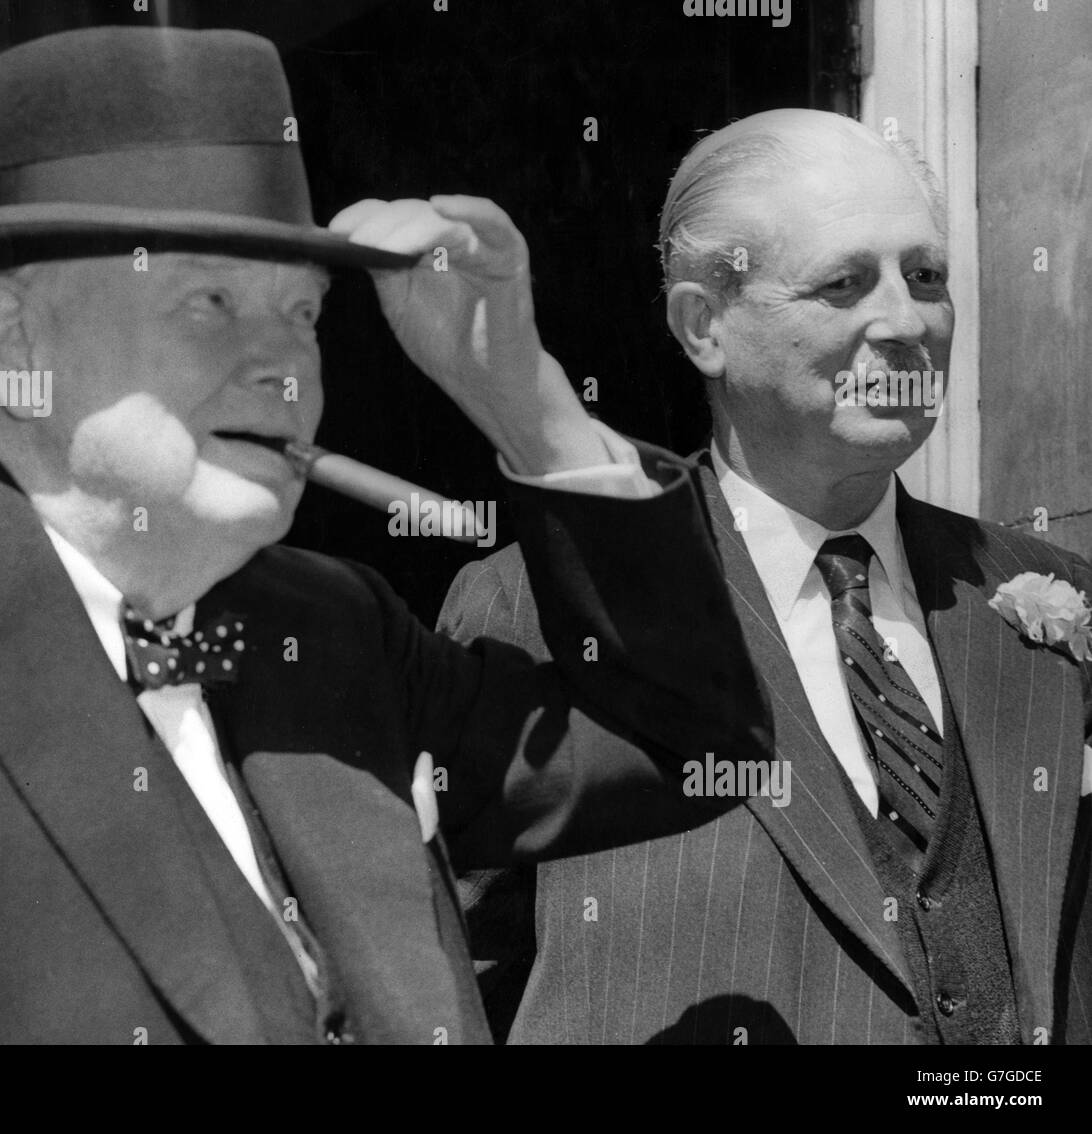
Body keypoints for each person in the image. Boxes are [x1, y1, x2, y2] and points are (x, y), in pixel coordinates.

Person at [0, 27, 767, 1044]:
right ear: (13, 339)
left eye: (302, 316)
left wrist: (518, 393)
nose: (282, 367)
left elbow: (689, 744)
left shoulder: (329, 625)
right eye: (208, 302)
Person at [443, 108, 1092, 1045]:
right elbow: (449, 973)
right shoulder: (540, 606)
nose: (906, 322)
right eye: (842, 282)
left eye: (926, 276)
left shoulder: (1046, 589)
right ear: (704, 326)